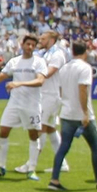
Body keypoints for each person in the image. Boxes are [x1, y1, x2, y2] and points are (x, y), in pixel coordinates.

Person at [45, 42, 97, 191]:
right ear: (85, 52)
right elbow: (83, 90)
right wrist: (85, 112)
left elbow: (61, 90)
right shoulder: (85, 68)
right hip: (82, 115)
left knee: (63, 148)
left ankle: (54, 179)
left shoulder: (64, 68)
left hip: (67, 113)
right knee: (96, 148)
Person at [0, 34, 47, 180]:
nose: (30, 47)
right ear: (22, 45)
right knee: (3, 130)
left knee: (33, 135)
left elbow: (40, 81)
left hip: (31, 104)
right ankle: (1, 166)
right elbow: (0, 78)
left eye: (33, 45)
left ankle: (31, 168)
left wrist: (19, 84)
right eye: (28, 44)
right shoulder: (14, 62)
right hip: (14, 103)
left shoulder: (38, 62)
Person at [32, 29, 70, 174]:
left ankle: (31, 163)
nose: (40, 41)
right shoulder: (43, 53)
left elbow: (48, 73)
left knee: (40, 127)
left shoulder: (57, 54)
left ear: (51, 40)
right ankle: (63, 164)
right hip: (45, 94)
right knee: (50, 129)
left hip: (50, 95)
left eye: (43, 39)